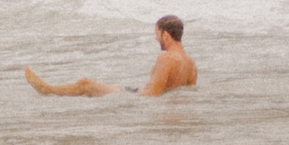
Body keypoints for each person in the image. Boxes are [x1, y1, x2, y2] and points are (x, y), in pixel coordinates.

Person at [25, 15, 196, 98]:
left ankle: (47, 90)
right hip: (134, 90)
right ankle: (49, 89)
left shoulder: (166, 59)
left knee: (86, 85)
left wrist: (122, 101)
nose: (155, 38)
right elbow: (185, 94)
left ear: (166, 35)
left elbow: (153, 96)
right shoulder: (191, 64)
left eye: (156, 34)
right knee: (87, 85)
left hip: (135, 95)